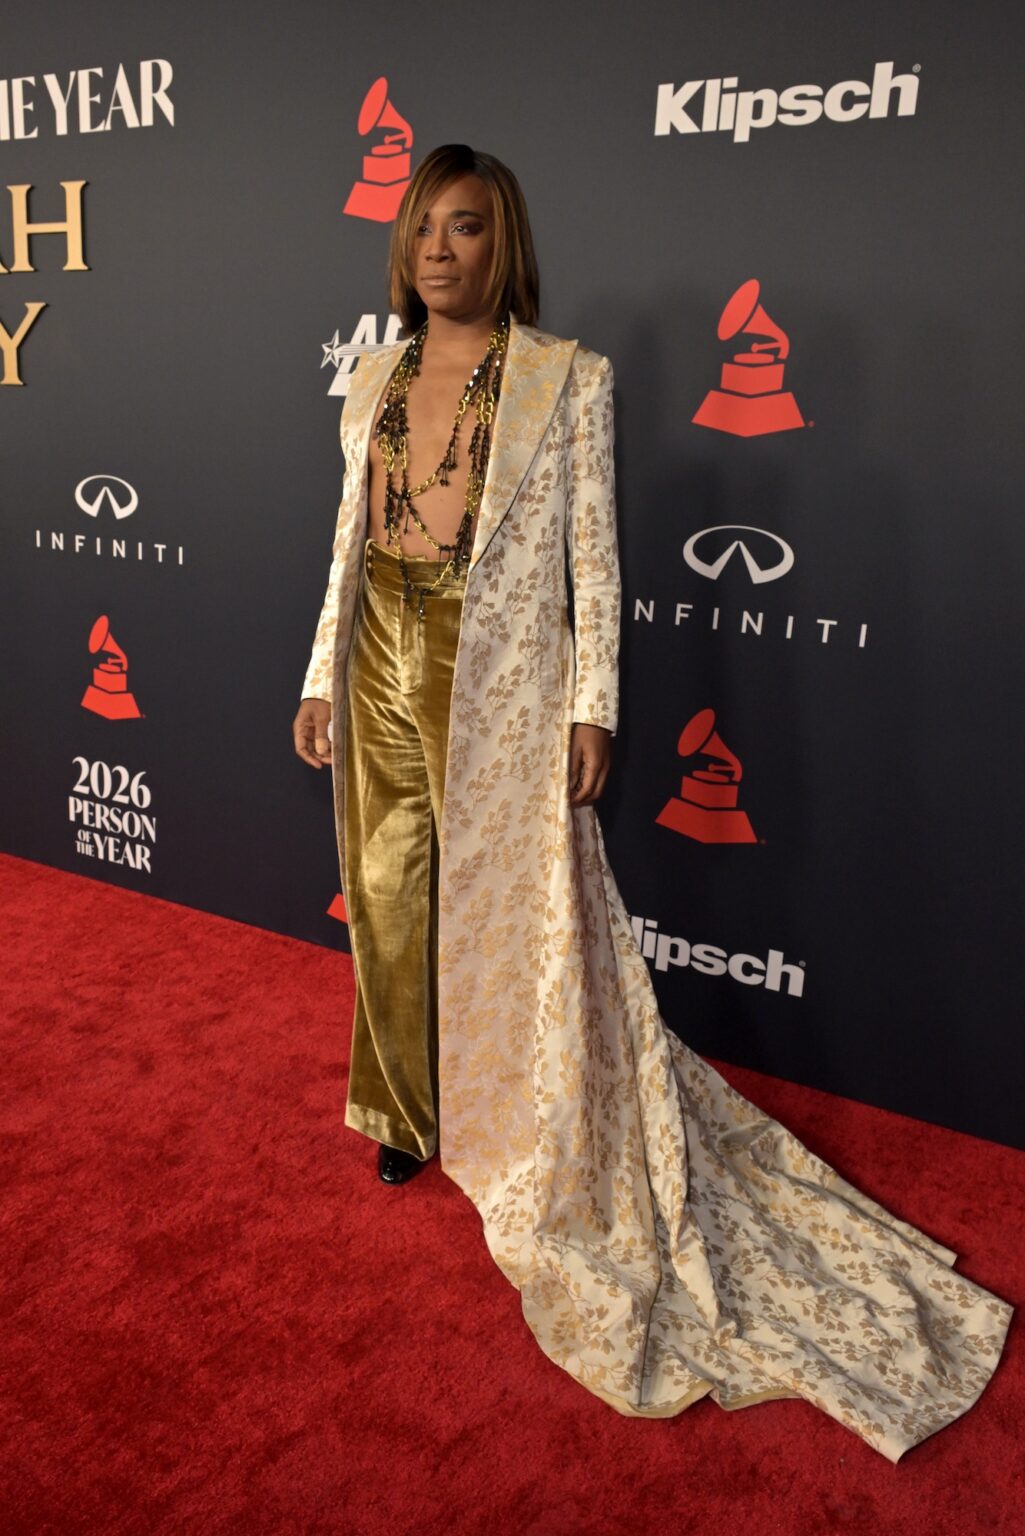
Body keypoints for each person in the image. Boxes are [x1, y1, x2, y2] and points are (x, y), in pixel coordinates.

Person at [294, 144, 1011, 1461]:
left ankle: (521, 1113)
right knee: (390, 893)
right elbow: (351, 533)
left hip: (500, 676)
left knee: (519, 915)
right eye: (419, 231)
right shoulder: (374, 377)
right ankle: (404, 1112)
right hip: (379, 657)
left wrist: (593, 708)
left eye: (462, 229)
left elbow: (592, 554)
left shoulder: (568, 378)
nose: (436, 251)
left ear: (501, 245)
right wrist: (320, 674)